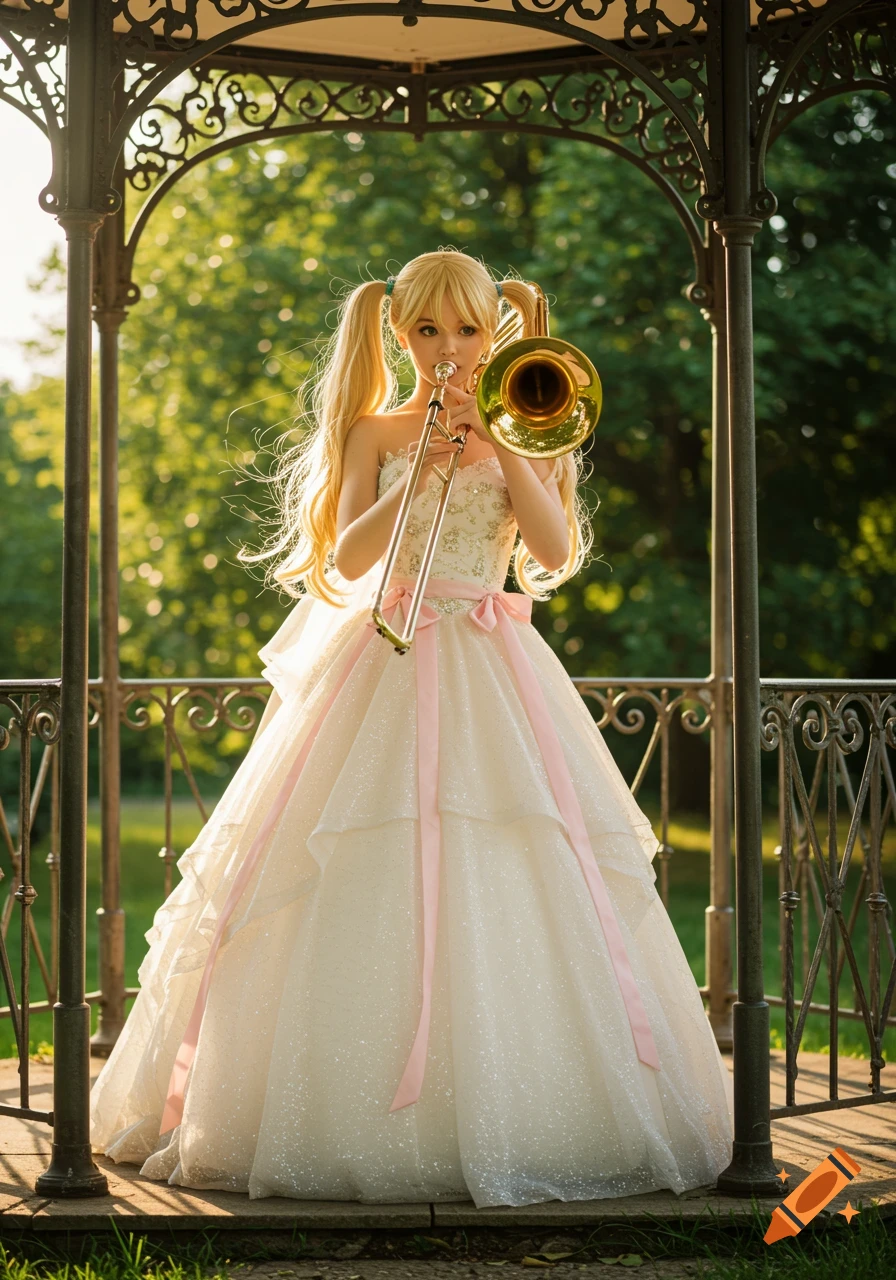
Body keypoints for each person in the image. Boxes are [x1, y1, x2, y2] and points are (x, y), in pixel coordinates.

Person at [89, 248, 734, 1208]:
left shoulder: (534, 421)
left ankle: (528, 1108)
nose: (451, 351)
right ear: (399, 333)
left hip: (490, 669)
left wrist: (502, 445)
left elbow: (551, 555)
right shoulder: (372, 430)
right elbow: (344, 560)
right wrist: (412, 473)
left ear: (496, 332)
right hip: (377, 668)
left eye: (469, 330)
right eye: (429, 331)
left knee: (511, 859)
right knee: (347, 862)